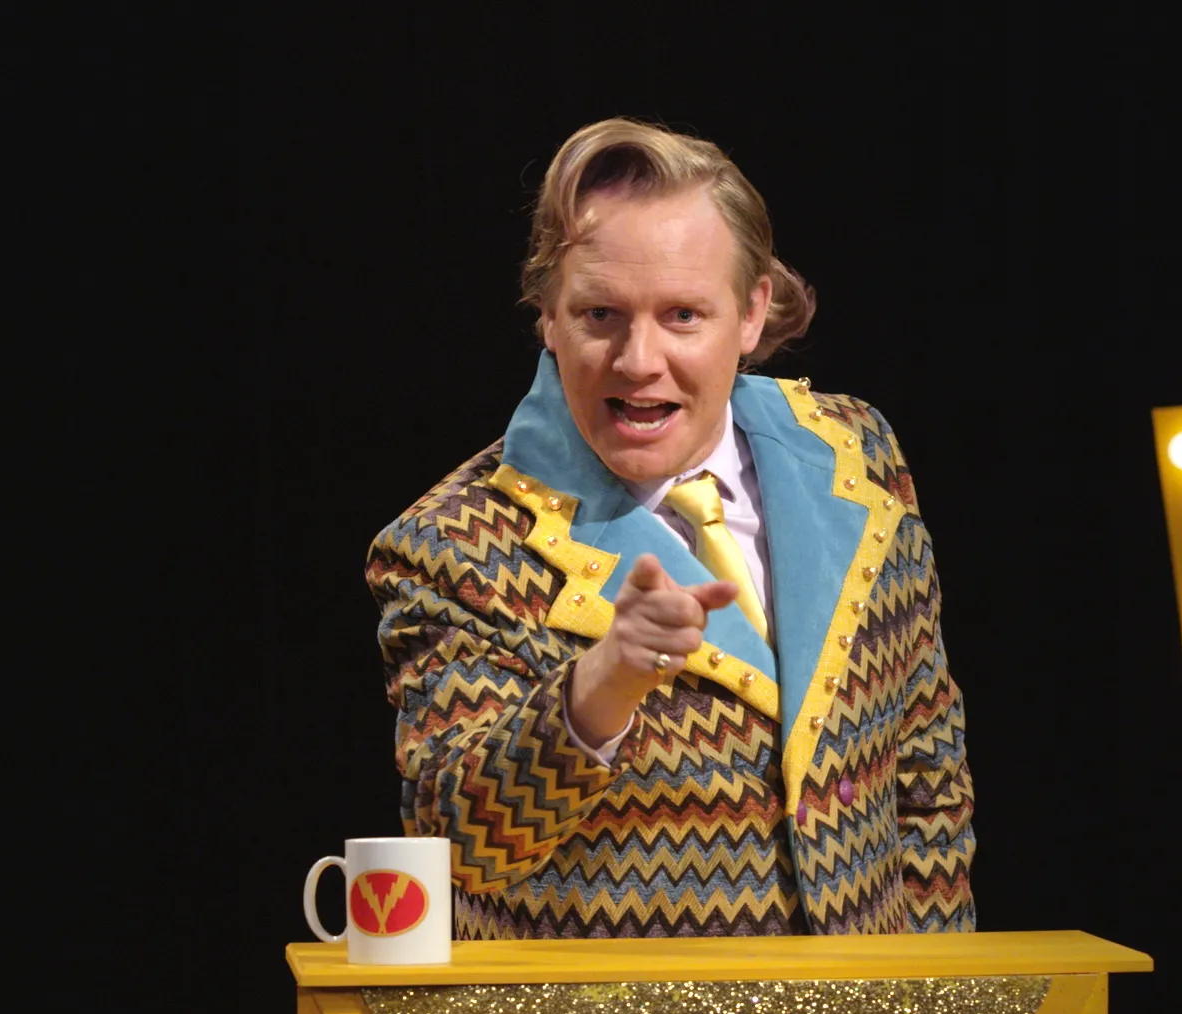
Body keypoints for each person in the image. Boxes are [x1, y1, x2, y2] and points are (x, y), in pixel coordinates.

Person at [365, 117, 974, 938]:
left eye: (683, 315)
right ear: (548, 317)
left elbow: (927, 771)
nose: (638, 360)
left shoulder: (856, 452)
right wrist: (600, 687)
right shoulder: (454, 544)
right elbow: (455, 849)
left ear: (751, 313)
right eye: (600, 315)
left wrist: (933, 995)